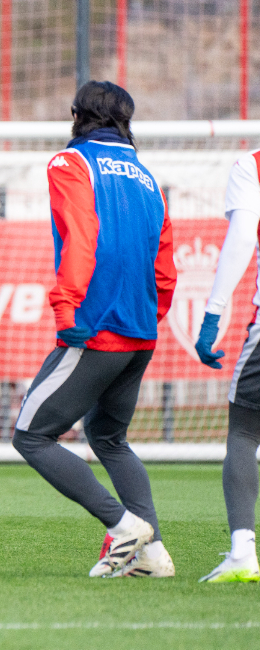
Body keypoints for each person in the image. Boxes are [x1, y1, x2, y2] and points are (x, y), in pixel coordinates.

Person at [11, 81, 177, 578]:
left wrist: (67, 307)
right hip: (139, 332)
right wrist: (151, 317)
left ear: (76, 115)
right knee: (109, 438)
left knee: (31, 436)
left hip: (95, 326)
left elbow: (82, 235)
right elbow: (164, 264)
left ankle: (123, 526)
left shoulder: (71, 163)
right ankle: (153, 556)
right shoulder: (147, 177)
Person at [191, 149, 260, 583]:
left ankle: (242, 552)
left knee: (244, 430)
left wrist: (214, 312)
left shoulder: (252, 164)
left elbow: (241, 236)